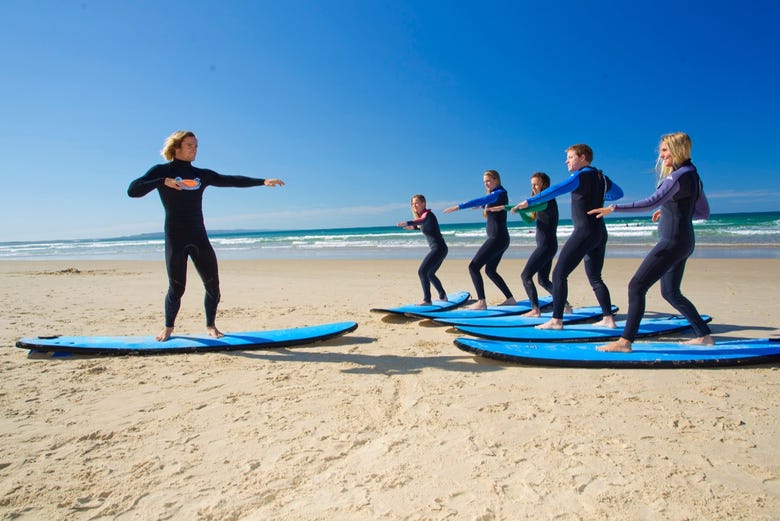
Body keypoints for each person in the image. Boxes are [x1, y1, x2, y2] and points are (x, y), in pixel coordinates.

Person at [127, 130, 284, 341]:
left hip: (198, 236)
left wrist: (262, 181)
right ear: (177, 148)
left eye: (196, 145)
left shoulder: (201, 174)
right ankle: (168, 327)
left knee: (213, 285)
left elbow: (229, 180)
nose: (195, 149)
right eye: (190, 145)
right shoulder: (162, 171)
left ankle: (211, 325)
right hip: (175, 237)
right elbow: (133, 190)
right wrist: (162, 181)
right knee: (177, 287)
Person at [588, 132, 713, 352]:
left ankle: (625, 342)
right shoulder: (693, 174)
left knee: (637, 286)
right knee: (671, 292)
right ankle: (704, 335)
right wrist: (669, 212)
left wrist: (614, 208)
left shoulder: (677, 176)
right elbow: (702, 211)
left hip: (672, 242)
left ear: (677, 149)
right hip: (684, 241)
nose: (662, 155)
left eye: (665, 150)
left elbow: (650, 202)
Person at [511, 144, 623, 329]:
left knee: (559, 274)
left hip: (584, 231)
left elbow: (557, 189)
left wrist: (529, 201)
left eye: (570, 157)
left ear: (583, 157)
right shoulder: (601, 177)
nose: (567, 161)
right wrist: (600, 196)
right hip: (600, 233)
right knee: (595, 277)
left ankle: (557, 320)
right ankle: (608, 318)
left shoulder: (580, 175)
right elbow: (619, 194)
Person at [444, 170, 516, 310]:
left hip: (497, 238)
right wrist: (482, 206)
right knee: (490, 270)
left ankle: (481, 302)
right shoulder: (495, 196)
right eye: (484, 182)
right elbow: (485, 202)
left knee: (473, 267)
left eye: (489, 180)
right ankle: (510, 298)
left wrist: (459, 206)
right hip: (501, 238)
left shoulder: (499, 193)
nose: (486, 184)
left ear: (496, 180)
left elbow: (481, 200)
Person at [515, 172, 571, 317]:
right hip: (549, 246)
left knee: (525, 275)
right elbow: (529, 220)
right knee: (543, 280)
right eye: (531, 185)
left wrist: (515, 208)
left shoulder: (548, 200)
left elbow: (530, 207)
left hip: (546, 246)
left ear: (545, 185)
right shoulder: (538, 202)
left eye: (536, 184)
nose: (533, 187)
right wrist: (520, 211)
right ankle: (565, 305)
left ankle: (535, 309)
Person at [397, 194, 449, 305]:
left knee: (422, 271)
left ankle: (427, 300)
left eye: (416, 202)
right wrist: (413, 228)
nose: (414, 205)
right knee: (429, 273)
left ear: (423, 203)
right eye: (412, 203)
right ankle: (443, 296)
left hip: (439, 248)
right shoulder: (422, 218)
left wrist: (408, 222)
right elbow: (422, 225)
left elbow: (422, 220)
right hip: (440, 249)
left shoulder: (428, 214)